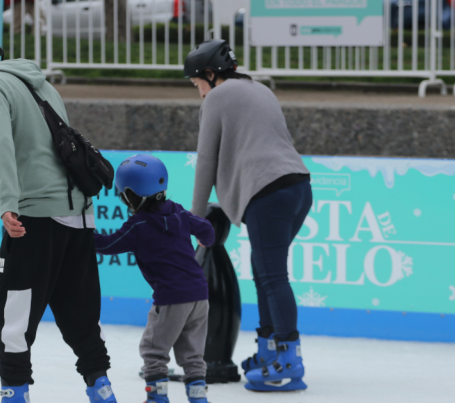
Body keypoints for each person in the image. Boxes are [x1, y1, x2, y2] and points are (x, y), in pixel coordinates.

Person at [0, 26, 117, 403]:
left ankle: (14, 394)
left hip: (35, 218)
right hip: (80, 215)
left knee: (13, 316)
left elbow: (0, 147)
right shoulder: (40, 82)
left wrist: (7, 203)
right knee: (80, 315)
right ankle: (102, 390)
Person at [184, 39, 313, 392]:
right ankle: (270, 349)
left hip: (267, 191)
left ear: (210, 75)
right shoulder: (260, 89)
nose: (197, 91)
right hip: (299, 186)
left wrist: (195, 220)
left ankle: (288, 358)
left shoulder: (217, 98)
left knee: (272, 276)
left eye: (196, 83)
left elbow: (206, 161)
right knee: (265, 273)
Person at [94, 154, 215, 403]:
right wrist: (206, 239)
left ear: (131, 194)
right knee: (193, 355)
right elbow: (206, 229)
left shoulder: (138, 225)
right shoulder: (179, 213)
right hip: (199, 295)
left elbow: (107, 244)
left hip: (171, 298)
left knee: (154, 351)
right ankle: (199, 398)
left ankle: (157, 399)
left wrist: (81, 232)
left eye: (122, 194)